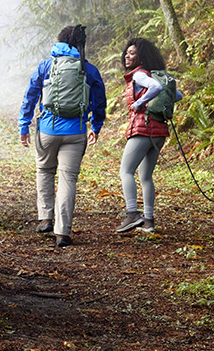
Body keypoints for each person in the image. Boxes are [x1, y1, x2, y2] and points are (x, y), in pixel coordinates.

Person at [18, 25, 107, 247]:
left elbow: (30, 95)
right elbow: (99, 101)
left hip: (47, 130)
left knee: (45, 171)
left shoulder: (46, 66)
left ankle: (46, 218)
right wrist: (95, 126)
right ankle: (62, 232)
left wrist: (24, 126)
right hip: (76, 132)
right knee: (68, 180)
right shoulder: (88, 69)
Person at [115, 37, 182, 234]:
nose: (127, 56)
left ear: (141, 57)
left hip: (143, 129)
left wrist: (139, 103)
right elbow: (177, 95)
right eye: (127, 52)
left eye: (132, 53)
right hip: (159, 130)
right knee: (145, 176)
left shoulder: (140, 76)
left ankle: (132, 214)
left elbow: (156, 88)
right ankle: (148, 221)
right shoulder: (153, 75)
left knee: (126, 171)